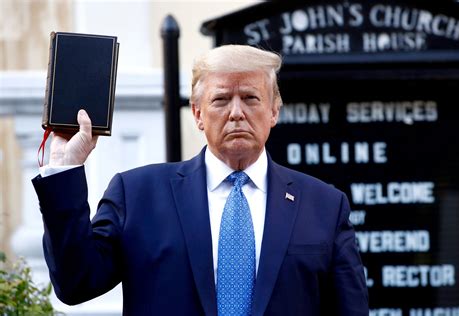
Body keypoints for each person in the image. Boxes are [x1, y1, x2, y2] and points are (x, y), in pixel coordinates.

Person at [32, 45, 369, 315]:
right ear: (197, 114)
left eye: (251, 98)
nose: (236, 112)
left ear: (274, 111)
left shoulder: (324, 205)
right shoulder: (138, 195)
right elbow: (76, 283)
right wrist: (65, 168)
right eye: (221, 99)